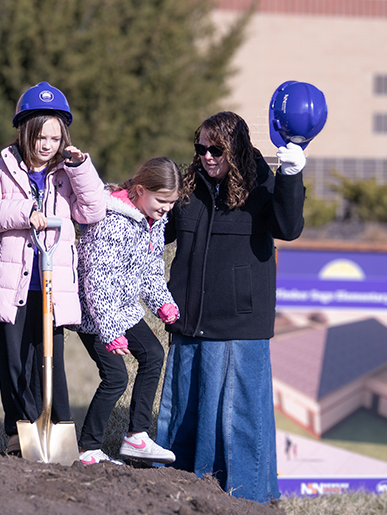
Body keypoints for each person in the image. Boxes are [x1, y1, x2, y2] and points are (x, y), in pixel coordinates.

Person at [155, 111, 305, 503]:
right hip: (190, 320)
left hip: (240, 324)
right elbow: (154, 228)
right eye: (200, 148)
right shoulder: (187, 188)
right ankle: (179, 491)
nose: (206, 156)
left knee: (240, 419)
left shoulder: (261, 184)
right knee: (183, 413)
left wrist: (291, 176)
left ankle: (246, 500)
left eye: (216, 150)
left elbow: (288, 227)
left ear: (235, 149)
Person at [0, 82, 105, 457]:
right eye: (40, 137)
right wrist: (25, 213)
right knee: (13, 360)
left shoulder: (67, 173)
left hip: (52, 285)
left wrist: (81, 169)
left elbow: (92, 211)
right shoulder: (0, 169)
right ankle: (19, 429)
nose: (47, 145)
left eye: (55, 138)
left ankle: (57, 425)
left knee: (49, 360)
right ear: (24, 131)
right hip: (12, 284)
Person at [76, 157, 180, 465]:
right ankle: (88, 449)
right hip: (95, 313)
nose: (167, 208)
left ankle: (137, 437)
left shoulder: (153, 221)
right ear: (140, 190)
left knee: (153, 355)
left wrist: (161, 302)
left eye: (172, 202)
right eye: (162, 201)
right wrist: (110, 331)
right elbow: (97, 281)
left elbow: (151, 268)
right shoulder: (113, 222)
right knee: (115, 377)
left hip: (124, 308)